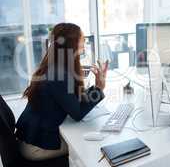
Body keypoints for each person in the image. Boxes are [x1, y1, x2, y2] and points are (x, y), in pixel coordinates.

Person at [15, 23, 108, 161]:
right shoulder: (58, 74)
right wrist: (99, 88)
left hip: (31, 138)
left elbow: (72, 100)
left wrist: (96, 88)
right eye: (82, 39)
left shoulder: (55, 66)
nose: (84, 42)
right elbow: (77, 113)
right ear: (72, 44)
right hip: (35, 147)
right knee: (88, 146)